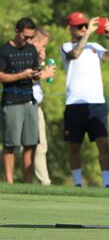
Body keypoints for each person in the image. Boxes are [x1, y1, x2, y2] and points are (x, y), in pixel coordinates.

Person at [60, 12, 109, 187]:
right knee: (74, 146)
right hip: (74, 103)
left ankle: (106, 183)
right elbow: (76, 54)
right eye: (80, 26)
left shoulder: (94, 45)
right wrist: (87, 34)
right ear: (69, 28)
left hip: (96, 102)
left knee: (103, 143)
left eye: (85, 25)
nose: (84, 28)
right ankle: (78, 183)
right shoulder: (65, 46)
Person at [0, 17, 40, 183]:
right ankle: (10, 183)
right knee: (11, 144)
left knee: (31, 144)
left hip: (29, 100)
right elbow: (1, 76)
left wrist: (36, 75)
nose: (28, 40)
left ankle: (27, 184)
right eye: (25, 36)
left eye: (31, 37)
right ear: (17, 31)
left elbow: (35, 74)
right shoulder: (4, 51)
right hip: (11, 101)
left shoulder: (31, 50)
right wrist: (21, 75)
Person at [29, 27, 56, 186]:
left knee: (41, 145)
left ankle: (45, 182)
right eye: (43, 45)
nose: (43, 49)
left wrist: (40, 62)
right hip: (25, 104)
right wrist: (44, 74)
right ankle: (44, 182)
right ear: (35, 41)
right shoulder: (25, 54)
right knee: (23, 146)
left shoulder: (35, 57)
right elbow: (27, 79)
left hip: (36, 105)